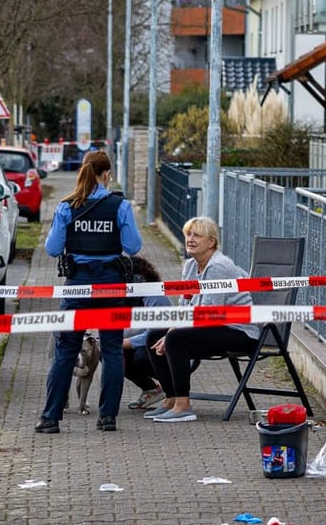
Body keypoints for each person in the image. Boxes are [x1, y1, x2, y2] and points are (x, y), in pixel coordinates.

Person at [40, 149, 142, 433]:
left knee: (65, 351)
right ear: (106, 173)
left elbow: (51, 249)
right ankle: (107, 417)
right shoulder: (120, 206)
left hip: (78, 287)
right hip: (110, 285)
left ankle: (50, 418)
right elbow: (133, 247)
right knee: (112, 352)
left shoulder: (65, 207)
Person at [145, 216, 257, 423]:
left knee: (176, 339)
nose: (190, 239)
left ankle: (183, 405)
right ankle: (170, 399)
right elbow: (185, 305)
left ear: (211, 242)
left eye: (197, 235)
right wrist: (169, 330)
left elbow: (208, 313)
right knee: (154, 335)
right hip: (212, 326)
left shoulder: (219, 267)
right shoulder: (190, 266)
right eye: (188, 234)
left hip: (238, 331)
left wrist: (171, 334)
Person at [121, 256, 166, 410]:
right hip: (142, 341)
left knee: (141, 356)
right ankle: (151, 389)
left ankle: (173, 389)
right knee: (108, 353)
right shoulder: (127, 296)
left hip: (164, 346)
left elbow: (152, 334)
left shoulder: (155, 297)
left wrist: (123, 343)